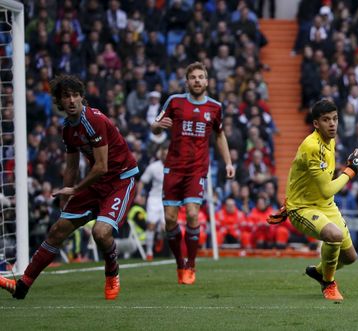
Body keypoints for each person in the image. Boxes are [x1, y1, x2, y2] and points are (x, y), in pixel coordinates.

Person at [0, 75, 138, 300]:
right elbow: (72, 165)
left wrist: (74, 190)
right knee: (57, 230)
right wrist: (66, 195)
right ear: (59, 101)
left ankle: (112, 270)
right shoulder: (67, 129)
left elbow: (102, 167)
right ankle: (22, 285)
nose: (72, 100)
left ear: (82, 97)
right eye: (66, 96)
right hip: (95, 183)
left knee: (100, 233)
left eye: (76, 95)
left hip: (120, 181)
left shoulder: (92, 120)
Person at [269, 99, 358, 302]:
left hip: (325, 205)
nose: (332, 124)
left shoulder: (330, 139)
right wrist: (351, 170)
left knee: (350, 257)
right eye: (326, 120)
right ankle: (328, 283)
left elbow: (300, 173)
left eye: (335, 119)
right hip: (302, 208)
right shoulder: (312, 146)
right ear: (316, 124)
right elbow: (326, 189)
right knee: (334, 234)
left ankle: (319, 272)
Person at [151, 62, 235, 285]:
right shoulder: (174, 101)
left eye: (201, 77)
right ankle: (180, 262)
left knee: (191, 214)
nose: (197, 81)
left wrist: (228, 162)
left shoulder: (215, 107)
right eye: (193, 77)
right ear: (187, 82)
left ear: (207, 81)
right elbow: (155, 125)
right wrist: (158, 126)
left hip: (197, 170)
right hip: (173, 168)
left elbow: (219, 135)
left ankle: (191, 265)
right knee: (170, 218)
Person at [138, 145, 168, 260]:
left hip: (167, 199)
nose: (165, 156)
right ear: (160, 155)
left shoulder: (175, 166)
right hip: (154, 199)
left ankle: (160, 236)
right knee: (151, 225)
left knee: (166, 227)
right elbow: (142, 181)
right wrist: (139, 195)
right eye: (164, 154)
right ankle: (149, 251)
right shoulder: (153, 167)